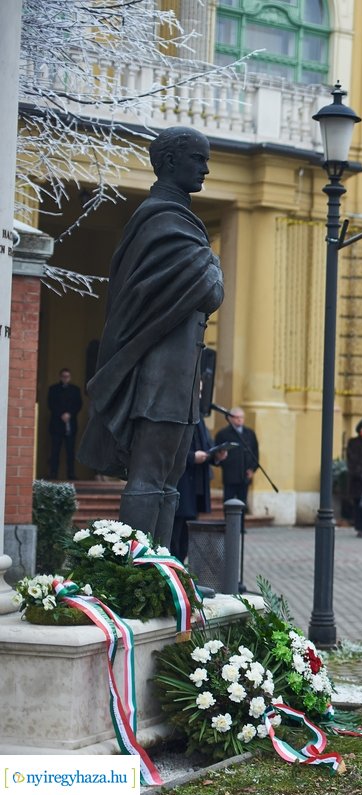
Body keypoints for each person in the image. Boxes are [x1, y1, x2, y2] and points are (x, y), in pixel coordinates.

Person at [78, 127, 224, 543]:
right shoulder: (162, 221)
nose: (206, 168)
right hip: (158, 378)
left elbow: (206, 282)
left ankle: (162, 572)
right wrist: (213, 266)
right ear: (171, 161)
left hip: (179, 377)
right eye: (198, 158)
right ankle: (136, 575)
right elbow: (211, 290)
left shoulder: (179, 220)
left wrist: (211, 265)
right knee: (149, 478)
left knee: (169, 483)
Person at [170, 421, 224, 561]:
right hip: (180, 485)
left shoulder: (199, 419)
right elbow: (169, 449)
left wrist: (216, 456)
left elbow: (205, 446)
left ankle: (181, 568)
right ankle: (174, 570)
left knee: (187, 535)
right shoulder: (178, 413)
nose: (200, 397)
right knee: (174, 535)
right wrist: (192, 457)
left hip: (196, 486)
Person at [214, 407, 260, 522]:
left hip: (245, 474)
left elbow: (255, 452)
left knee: (242, 501)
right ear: (230, 419)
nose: (239, 420)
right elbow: (217, 453)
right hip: (230, 474)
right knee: (228, 501)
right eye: (237, 417)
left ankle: (241, 526)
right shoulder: (223, 434)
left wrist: (252, 469)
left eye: (241, 417)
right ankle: (228, 524)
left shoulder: (250, 433)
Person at [46, 367, 83, 480]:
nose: (65, 378)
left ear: (70, 377)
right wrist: (61, 414)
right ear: (60, 377)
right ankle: (53, 473)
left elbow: (78, 404)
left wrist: (69, 414)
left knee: (70, 451)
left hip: (70, 425)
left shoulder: (75, 390)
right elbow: (51, 404)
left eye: (67, 376)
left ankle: (71, 474)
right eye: (63, 376)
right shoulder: (53, 389)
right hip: (57, 424)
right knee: (55, 451)